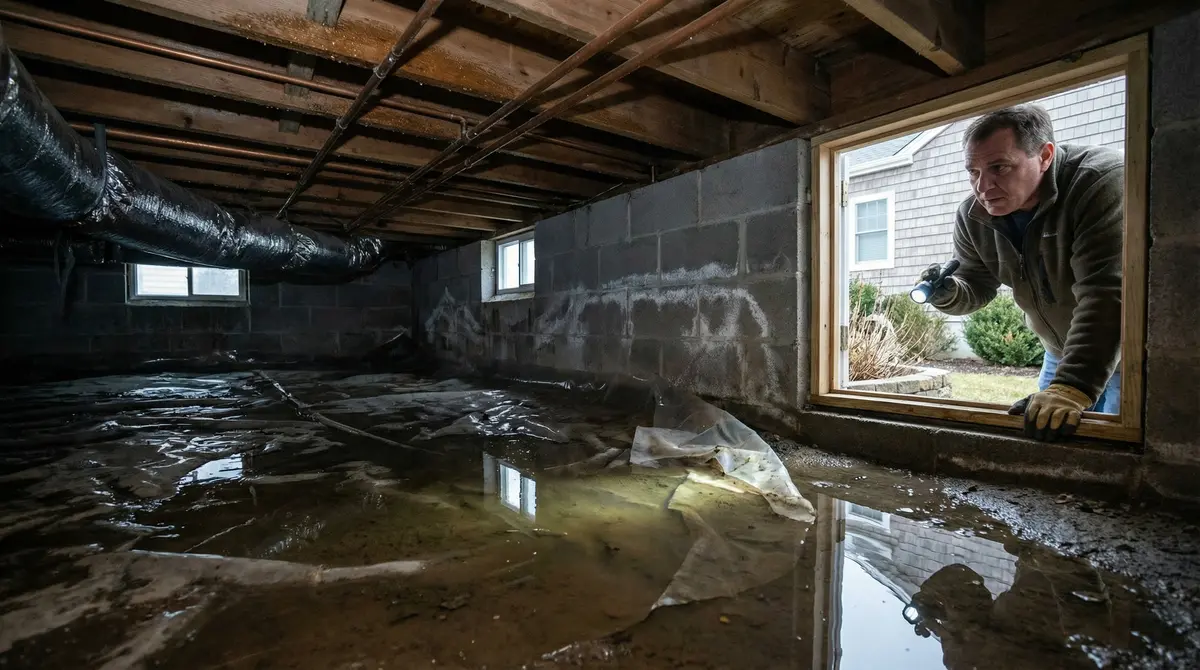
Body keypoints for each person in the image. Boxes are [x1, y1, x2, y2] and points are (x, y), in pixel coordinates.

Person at [919, 104, 1123, 441]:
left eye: (999, 167)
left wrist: (1071, 388)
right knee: (1047, 442)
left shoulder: (1099, 183)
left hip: (1124, 352)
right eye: (973, 172)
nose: (982, 186)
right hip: (1059, 352)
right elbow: (977, 283)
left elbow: (1108, 293)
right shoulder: (974, 215)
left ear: (1044, 156)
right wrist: (950, 292)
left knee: (1117, 453)